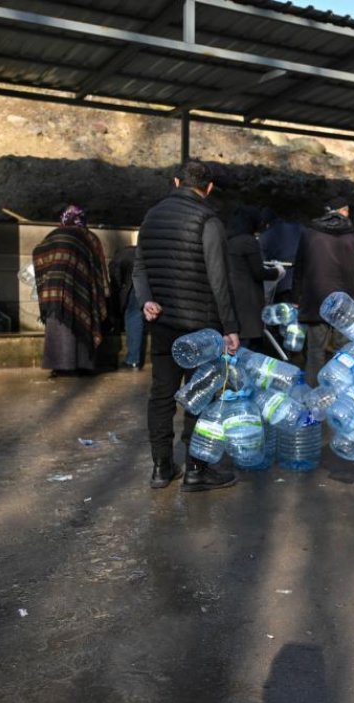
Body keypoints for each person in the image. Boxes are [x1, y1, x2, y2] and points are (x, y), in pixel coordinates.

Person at [133, 160, 240, 492]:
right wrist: (230, 326)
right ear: (208, 189)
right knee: (200, 397)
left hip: (163, 322)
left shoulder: (151, 216)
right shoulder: (208, 221)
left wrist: (145, 300)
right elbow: (219, 279)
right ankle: (196, 470)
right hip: (200, 327)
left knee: (161, 396)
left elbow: (139, 267)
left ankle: (161, 468)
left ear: (176, 181)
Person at [296, 195, 354, 385]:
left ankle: (314, 398)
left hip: (315, 300)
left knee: (315, 353)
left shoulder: (310, 232)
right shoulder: (353, 234)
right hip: (346, 302)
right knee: (344, 353)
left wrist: (297, 296)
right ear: (344, 211)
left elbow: (299, 267)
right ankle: (340, 394)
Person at [32, 204, 110, 376]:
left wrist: (49, 273)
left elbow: (38, 252)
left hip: (52, 290)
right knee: (82, 324)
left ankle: (58, 366)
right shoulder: (90, 237)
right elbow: (98, 267)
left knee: (57, 327)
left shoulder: (53, 235)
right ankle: (82, 366)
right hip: (82, 290)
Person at [226, 205, 284, 351]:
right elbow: (258, 272)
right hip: (248, 299)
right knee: (249, 345)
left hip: (231, 295)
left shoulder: (228, 239)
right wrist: (278, 271)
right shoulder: (248, 242)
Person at [109, 243, 144, 370]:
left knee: (133, 316)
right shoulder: (132, 252)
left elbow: (116, 283)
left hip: (135, 284)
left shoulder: (116, 259)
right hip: (145, 280)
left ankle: (133, 359)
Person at [258, 208, 303, 304]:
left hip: (282, 284)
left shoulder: (264, 237)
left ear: (265, 224)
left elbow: (263, 263)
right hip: (302, 281)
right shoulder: (298, 228)